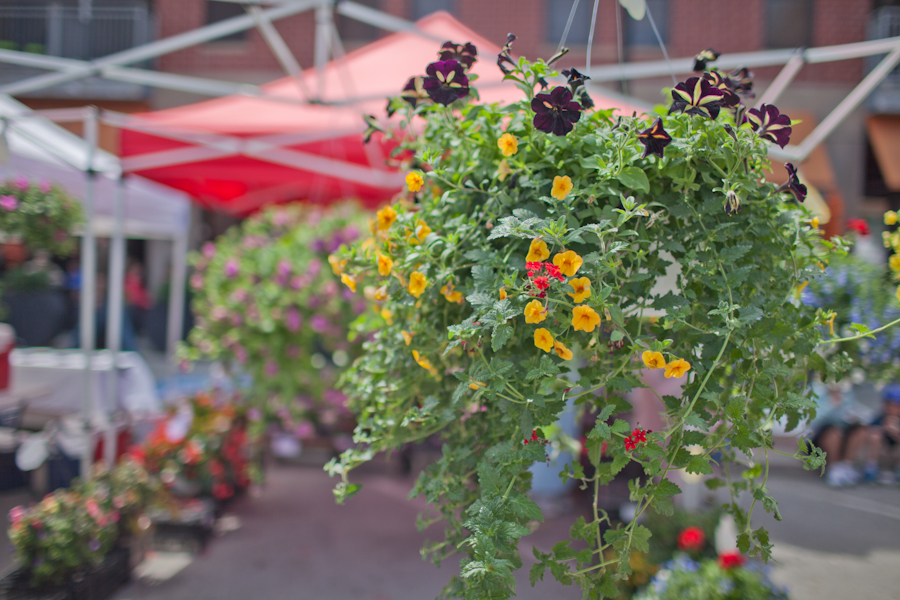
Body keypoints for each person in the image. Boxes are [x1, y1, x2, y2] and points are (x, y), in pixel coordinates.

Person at [807, 379, 869, 487]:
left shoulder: (847, 395)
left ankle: (846, 466)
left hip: (841, 431)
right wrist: (832, 405)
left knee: (861, 430)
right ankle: (833, 468)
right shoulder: (816, 391)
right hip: (819, 436)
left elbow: (852, 412)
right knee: (834, 432)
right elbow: (814, 420)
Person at [863, 385, 900, 484]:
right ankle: (871, 468)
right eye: (890, 405)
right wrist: (884, 428)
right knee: (875, 435)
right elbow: (869, 430)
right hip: (882, 452)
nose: (892, 408)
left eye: (896, 405)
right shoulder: (880, 417)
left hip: (895, 452)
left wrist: (895, 432)